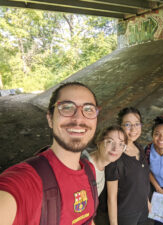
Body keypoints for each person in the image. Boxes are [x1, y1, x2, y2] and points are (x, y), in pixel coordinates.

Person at [0, 82, 100, 225]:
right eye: (66, 108)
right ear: (50, 119)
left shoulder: (89, 170)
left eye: (89, 109)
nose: (78, 119)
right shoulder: (25, 182)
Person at [106, 107, 150, 225]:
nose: (133, 129)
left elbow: (143, 180)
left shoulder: (139, 147)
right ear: (120, 126)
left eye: (137, 124)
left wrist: (147, 202)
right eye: (127, 124)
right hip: (126, 214)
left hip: (143, 209)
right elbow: (111, 198)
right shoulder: (115, 156)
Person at [82, 125, 128, 196]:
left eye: (121, 144)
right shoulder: (82, 165)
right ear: (99, 142)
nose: (115, 148)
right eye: (110, 141)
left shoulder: (104, 167)